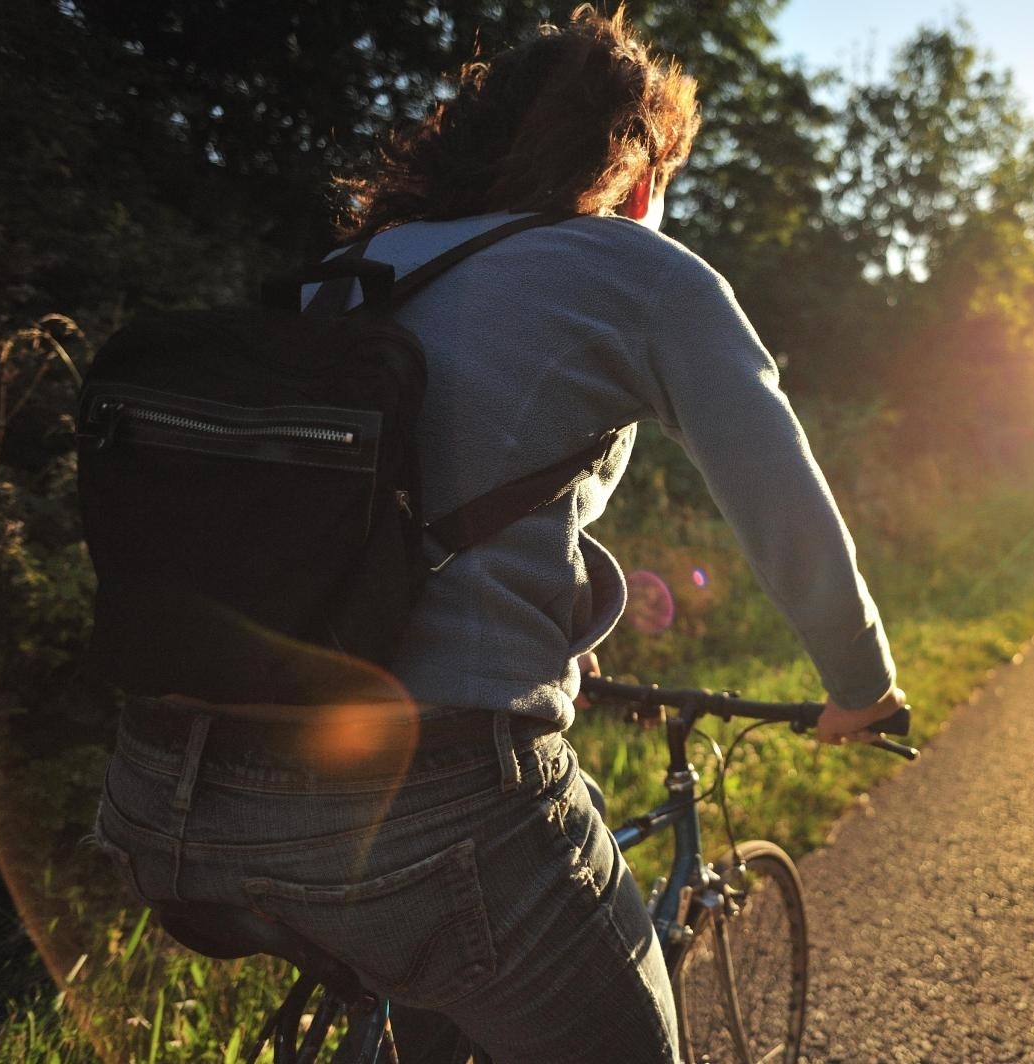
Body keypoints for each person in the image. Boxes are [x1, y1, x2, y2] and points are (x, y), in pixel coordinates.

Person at [91, 6, 903, 1062]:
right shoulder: (639, 271)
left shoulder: (358, 264)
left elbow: (357, 524)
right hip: (425, 815)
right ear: (636, 169)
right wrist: (862, 680)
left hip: (162, 798)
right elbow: (781, 496)